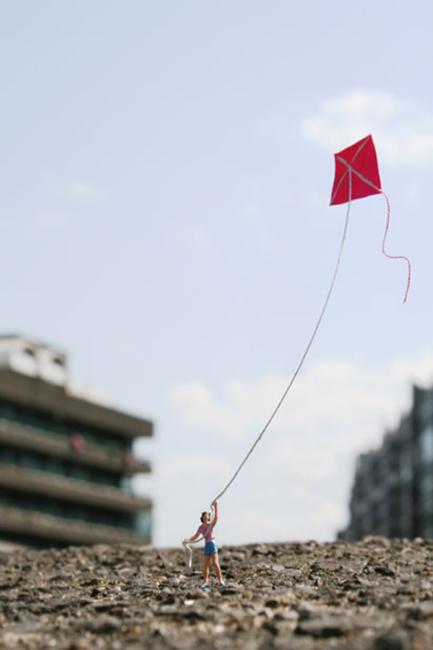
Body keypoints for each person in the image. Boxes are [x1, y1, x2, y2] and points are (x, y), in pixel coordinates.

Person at [184, 499, 224, 589]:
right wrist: (188, 540)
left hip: (212, 544)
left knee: (215, 563)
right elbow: (195, 536)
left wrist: (216, 507)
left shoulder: (211, 524)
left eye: (208, 514)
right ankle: (205, 582)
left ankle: (221, 580)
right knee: (205, 565)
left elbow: (216, 518)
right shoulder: (201, 527)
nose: (207, 515)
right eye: (205, 514)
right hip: (207, 545)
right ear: (203, 517)